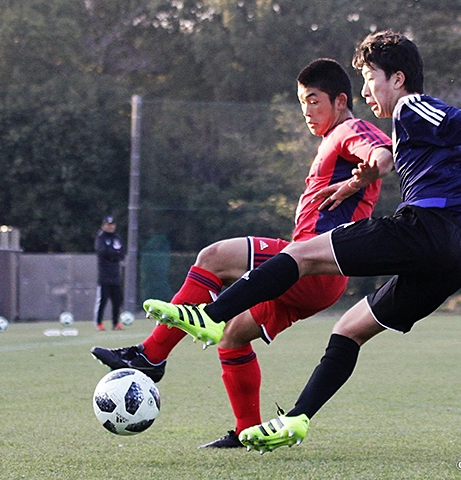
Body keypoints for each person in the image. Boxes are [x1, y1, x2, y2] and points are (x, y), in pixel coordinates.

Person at [144, 30, 461, 452]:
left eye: (370, 77)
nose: (366, 90)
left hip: (423, 230)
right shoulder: (413, 123)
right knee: (349, 330)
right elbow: (392, 158)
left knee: (299, 254)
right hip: (450, 256)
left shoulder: (412, 106)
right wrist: (359, 182)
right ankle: (296, 418)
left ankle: (212, 315)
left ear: (398, 78)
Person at [91, 58, 393, 448]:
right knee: (233, 336)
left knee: (214, 256)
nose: (306, 111)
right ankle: (246, 431)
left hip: (314, 265)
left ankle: (151, 355)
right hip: (321, 276)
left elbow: (382, 152)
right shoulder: (332, 139)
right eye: (301, 102)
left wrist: (375, 166)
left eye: (313, 100)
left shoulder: (350, 128)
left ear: (339, 101)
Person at [94, 216, 126, 331]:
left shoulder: (117, 238)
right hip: (104, 276)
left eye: (112, 224)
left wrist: (113, 254)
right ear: (104, 226)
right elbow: (103, 252)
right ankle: (98, 323)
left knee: (117, 301)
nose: (111, 226)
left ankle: (116, 322)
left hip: (116, 275)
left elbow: (121, 253)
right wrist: (113, 254)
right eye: (108, 224)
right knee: (102, 301)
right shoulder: (101, 237)